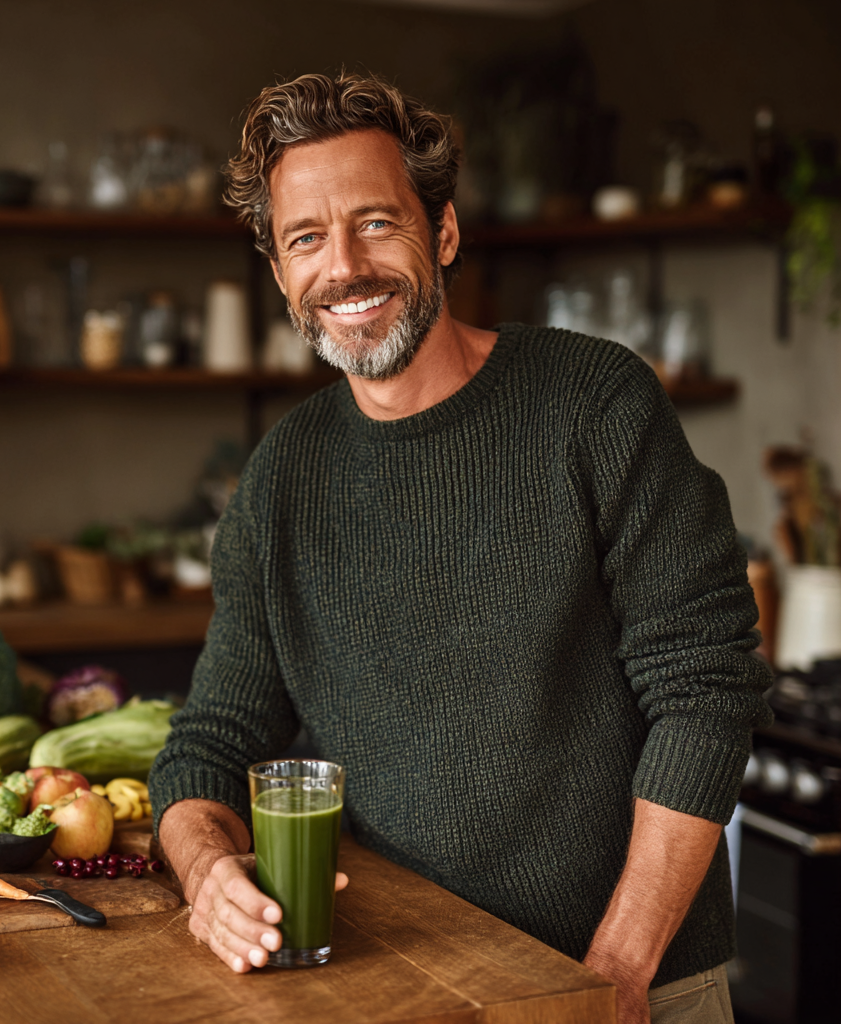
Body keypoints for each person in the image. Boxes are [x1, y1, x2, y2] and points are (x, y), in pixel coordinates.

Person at [149, 72, 772, 1024]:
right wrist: (206, 873)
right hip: (410, 985)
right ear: (280, 273)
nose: (345, 267)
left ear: (442, 232)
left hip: (633, 982)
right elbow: (212, 743)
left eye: (376, 223)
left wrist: (614, 973)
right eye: (306, 238)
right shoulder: (282, 481)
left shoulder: (594, 405)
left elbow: (704, 690)